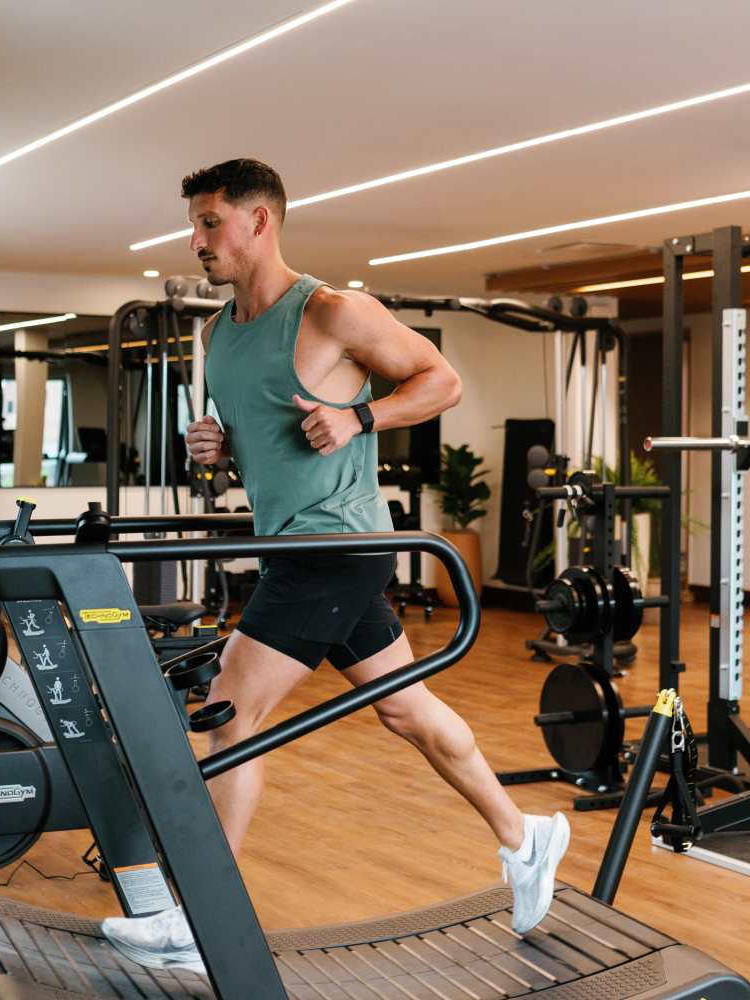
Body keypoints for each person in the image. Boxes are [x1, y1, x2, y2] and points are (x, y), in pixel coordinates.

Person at [103, 158, 569, 973]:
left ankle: (197, 918)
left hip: (336, 548)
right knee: (407, 711)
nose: (196, 239)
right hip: (296, 542)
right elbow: (263, 447)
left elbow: (443, 380)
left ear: (260, 222)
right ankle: (526, 836)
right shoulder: (218, 335)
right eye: (195, 223)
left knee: (227, 717)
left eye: (211, 222)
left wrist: (362, 416)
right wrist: (216, 451)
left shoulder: (331, 312)